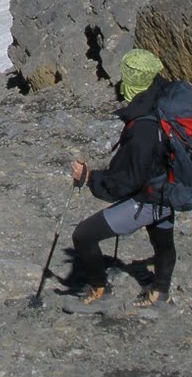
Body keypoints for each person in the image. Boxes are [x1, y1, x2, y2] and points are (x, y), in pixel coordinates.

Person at [66, 49, 176, 309]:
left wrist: (89, 178)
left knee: (84, 235)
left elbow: (125, 183)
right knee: (162, 241)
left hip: (149, 198)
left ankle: (100, 290)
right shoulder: (163, 101)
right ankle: (160, 291)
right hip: (171, 189)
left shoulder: (143, 129)